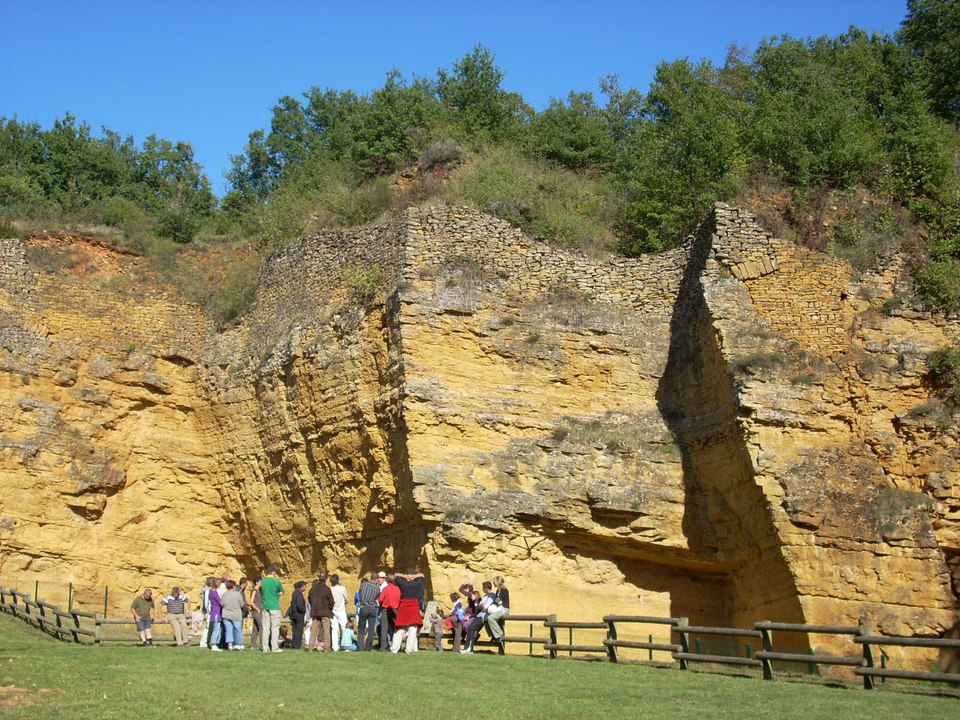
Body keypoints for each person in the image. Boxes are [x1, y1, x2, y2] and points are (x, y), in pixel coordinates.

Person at [390, 569, 425, 655]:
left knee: (399, 630)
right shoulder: (418, 583)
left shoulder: (403, 583)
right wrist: (413, 576)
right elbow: (422, 575)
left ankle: (394, 650)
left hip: (404, 607)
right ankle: (409, 650)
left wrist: (406, 576)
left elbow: (396, 574)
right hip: (414, 607)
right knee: (412, 630)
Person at [260, 565, 285, 653]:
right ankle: (274, 647)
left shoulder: (263, 582)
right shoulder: (276, 582)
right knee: (275, 627)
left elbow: (261, 592)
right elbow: (281, 592)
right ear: (273, 572)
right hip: (274, 606)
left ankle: (265, 648)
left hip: (265, 606)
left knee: (265, 627)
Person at [307, 574, 334, 652]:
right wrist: (329, 608)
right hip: (325, 612)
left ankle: (311, 647)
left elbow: (309, 600)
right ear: (325, 579)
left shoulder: (312, 589)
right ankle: (327, 648)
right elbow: (331, 602)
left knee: (314, 631)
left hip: (315, 612)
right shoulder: (327, 589)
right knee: (326, 631)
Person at [355, 574, 380, 651]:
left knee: (361, 628)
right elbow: (376, 597)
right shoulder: (377, 588)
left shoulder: (364, 584)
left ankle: (360, 647)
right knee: (371, 629)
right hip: (372, 609)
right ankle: (368, 647)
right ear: (377, 580)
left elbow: (360, 593)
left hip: (363, 608)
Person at [485, 576, 510, 647]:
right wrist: (497, 601)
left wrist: (498, 600)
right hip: (498, 608)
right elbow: (496, 600)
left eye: (494, 582)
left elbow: (497, 599)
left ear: (497, 582)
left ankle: (499, 634)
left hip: (504, 609)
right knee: (485, 617)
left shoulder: (504, 590)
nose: (493, 583)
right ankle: (494, 635)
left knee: (491, 618)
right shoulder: (497, 591)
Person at [377, 573, 400, 652]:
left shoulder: (385, 589)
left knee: (384, 628)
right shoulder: (397, 589)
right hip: (395, 610)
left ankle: (384, 647)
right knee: (395, 628)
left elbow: (380, 599)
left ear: (387, 580)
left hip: (385, 609)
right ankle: (395, 645)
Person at [221, 579, 246, 650]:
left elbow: (222, 604)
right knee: (238, 629)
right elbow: (242, 604)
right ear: (233, 586)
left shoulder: (224, 595)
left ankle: (230, 645)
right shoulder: (237, 594)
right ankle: (238, 644)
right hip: (236, 614)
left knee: (228, 630)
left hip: (226, 614)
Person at [329, 574, 349, 652]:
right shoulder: (342, 588)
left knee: (334, 629)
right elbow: (347, 599)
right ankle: (345, 646)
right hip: (341, 610)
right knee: (344, 628)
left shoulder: (330, 589)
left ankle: (335, 647)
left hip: (333, 611)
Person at [287, 581, 308, 650]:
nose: (306, 587)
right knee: (299, 630)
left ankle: (293, 645)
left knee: (295, 630)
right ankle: (297, 645)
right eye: (305, 586)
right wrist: (304, 610)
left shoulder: (294, 592)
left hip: (293, 613)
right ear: (301, 587)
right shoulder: (299, 593)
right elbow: (299, 605)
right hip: (298, 614)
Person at [249, 578, 263, 650]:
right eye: (260, 582)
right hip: (256, 612)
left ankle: (253, 645)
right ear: (256, 582)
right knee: (262, 627)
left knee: (255, 628)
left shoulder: (259, 591)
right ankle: (262, 645)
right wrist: (258, 610)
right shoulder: (254, 590)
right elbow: (251, 602)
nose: (261, 583)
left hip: (259, 611)